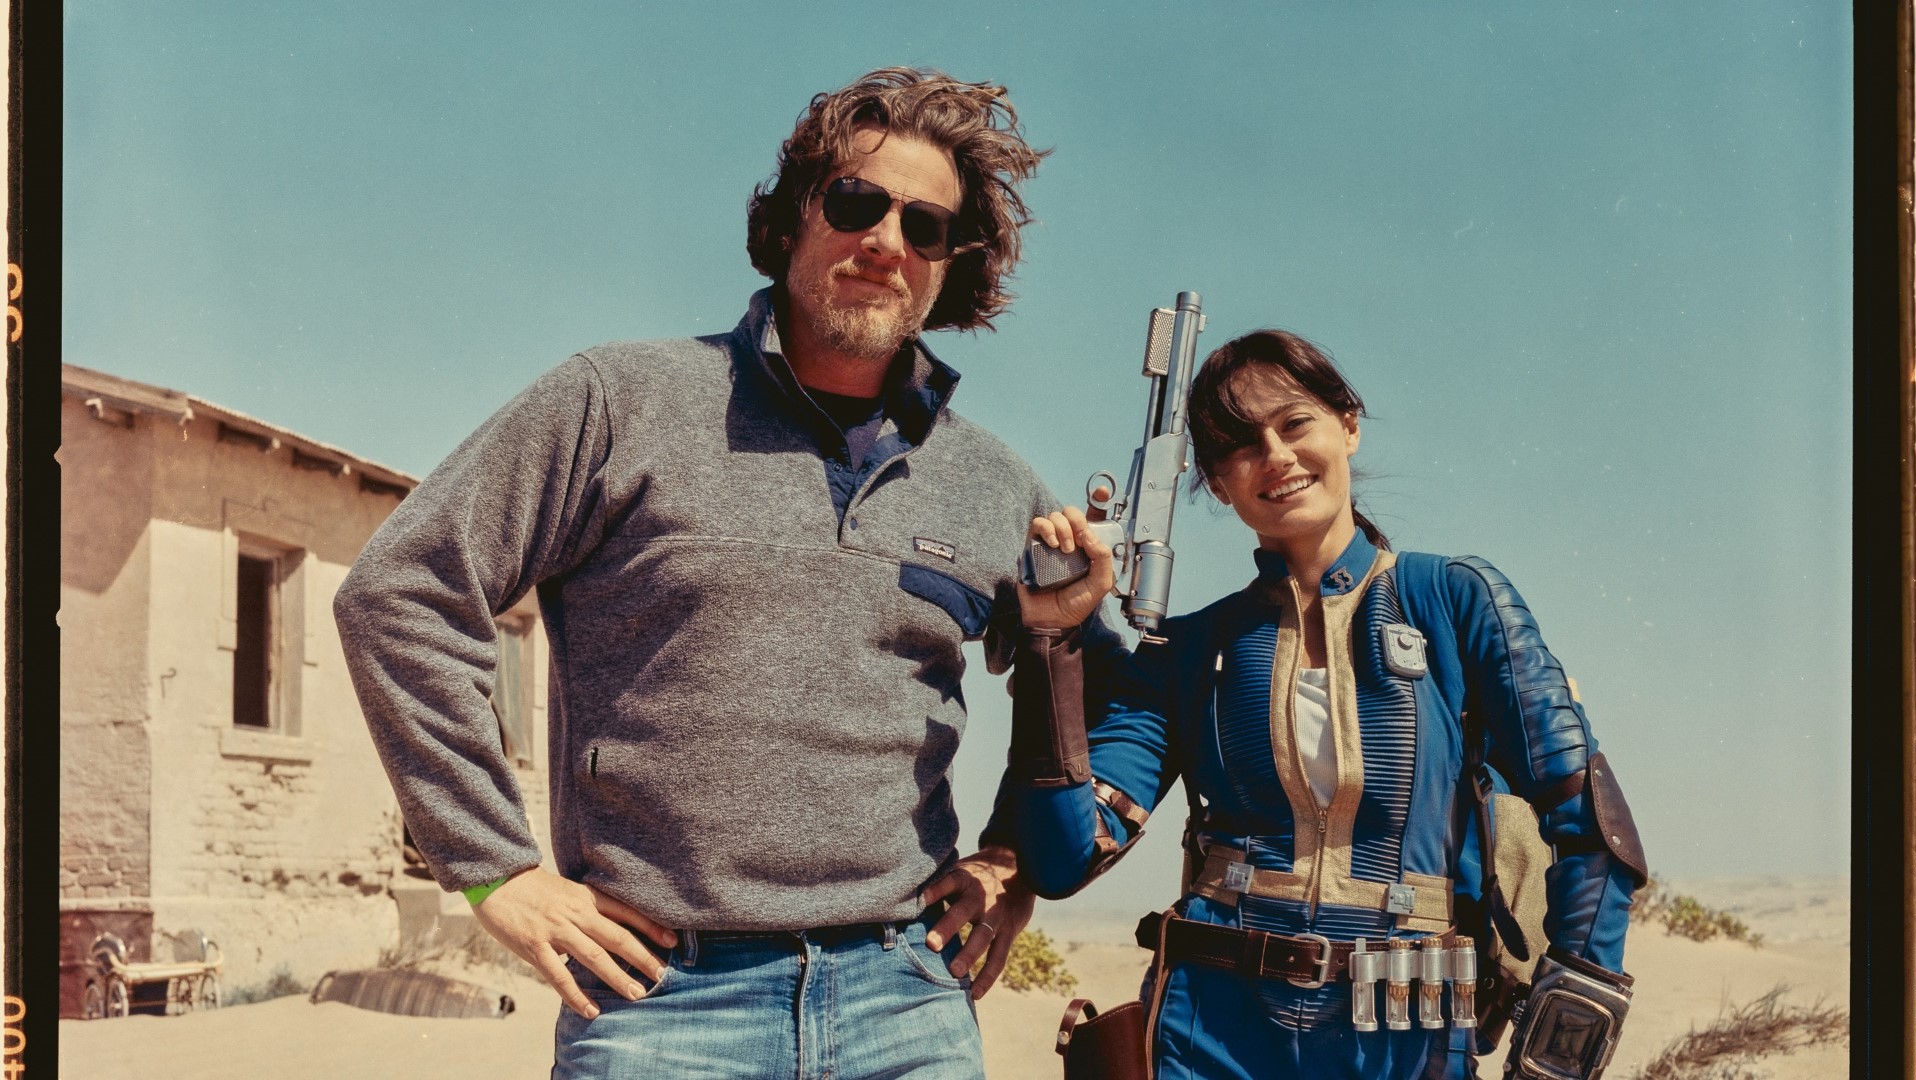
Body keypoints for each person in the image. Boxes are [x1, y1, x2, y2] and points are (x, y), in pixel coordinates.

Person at [335, 67, 1116, 1079]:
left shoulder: (992, 482)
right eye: (856, 203)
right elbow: (402, 592)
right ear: (794, 220)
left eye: (926, 227)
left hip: (907, 1002)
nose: (887, 241)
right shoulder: (619, 402)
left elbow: (1102, 679)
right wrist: (496, 870)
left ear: (945, 266)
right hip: (663, 1004)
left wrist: (1014, 862)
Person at [1010, 329, 1648, 1079]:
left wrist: (1559, 1052)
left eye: (1295, 423)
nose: (1275, 456)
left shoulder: (1455, 601)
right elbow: (1062, 858)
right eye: (1240, 446)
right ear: (1216, 483)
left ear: (1348, 426)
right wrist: (1050, 642)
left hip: (1405, 1036)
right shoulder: (1187, 649)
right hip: (1207, 1035)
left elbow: (1592, 826)